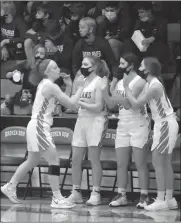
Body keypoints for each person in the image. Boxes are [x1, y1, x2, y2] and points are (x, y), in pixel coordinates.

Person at [1, 59, 84, 209]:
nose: (58, 69)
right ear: (47, 71)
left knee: (32, 161)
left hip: (35, 125)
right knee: (54, 159)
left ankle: (10, 186)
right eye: (55, 67)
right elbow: (72, 104)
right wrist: (80, 87)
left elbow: (65, 102)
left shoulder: (47, 85)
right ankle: (57, 198)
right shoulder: (50, 86)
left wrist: (70, 86)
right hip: (39, 126)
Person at [124, 57, 179, 211]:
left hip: (165, 123)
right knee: (165, 162)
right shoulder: (152, 83)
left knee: (158, 161)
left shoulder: (154, 85)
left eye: (141, 65)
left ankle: (161, 199)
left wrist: (127, 88)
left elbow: (135, 104)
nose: (139, 68)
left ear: (147, 69)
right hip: (164, 123)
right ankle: (169, 199)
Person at [101, 53, 150, 208]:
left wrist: (114, 94)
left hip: (139, 123)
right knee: (121, 163)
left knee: (140, 163)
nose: (119, 67)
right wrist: (107, 89)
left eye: (122, 64)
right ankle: (121, 194)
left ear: (131, 65)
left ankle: (144, 195)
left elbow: (129, 103)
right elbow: (112, 105)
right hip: (123, 124)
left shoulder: (140, 81)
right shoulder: (121, 82)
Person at [67, 55, 109, 206]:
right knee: (76, 158)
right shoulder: (80, 81)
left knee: (93, 158)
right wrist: (69, 86)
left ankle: (95, 192)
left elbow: (98, 106)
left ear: (94, 67)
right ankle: (76, 192)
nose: (82, 66)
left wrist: (80, 102)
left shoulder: (100, 81)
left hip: (96, 120)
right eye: (81, 63)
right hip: (81, 120)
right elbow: (72, 105)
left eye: (85, 64)